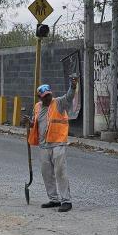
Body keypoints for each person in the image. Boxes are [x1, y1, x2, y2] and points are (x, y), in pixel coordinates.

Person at [28, 79, 78, 212]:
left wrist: (72, 86)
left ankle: (66, 201)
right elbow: (35, 123)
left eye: (49, 95)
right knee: (47, 173)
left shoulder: (59, 103)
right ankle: (54, 199)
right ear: (40, 97)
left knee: (60, 171)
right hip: (44, 145)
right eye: (45, 97)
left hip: (58, 143)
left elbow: (69, 97)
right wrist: (29, 122)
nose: (48, 98)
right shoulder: (37, 107)